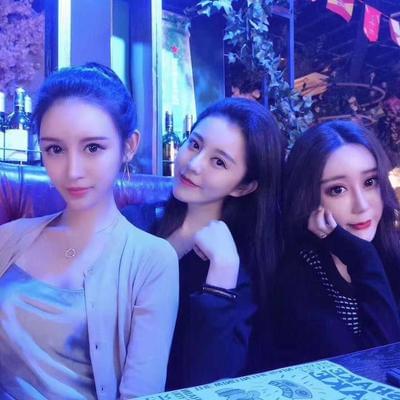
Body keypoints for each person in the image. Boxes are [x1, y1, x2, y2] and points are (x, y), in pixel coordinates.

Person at [0, 63, 179, 399]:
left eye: (93, 147)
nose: (73, 171)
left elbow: (140, 393)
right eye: (55, 149)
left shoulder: (152, 261)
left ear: (129, 146)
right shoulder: (8, 238)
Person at [154, 97, 285, 389]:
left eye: (219, 162)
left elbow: (209, 381)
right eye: (195, 145)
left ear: (243, 187)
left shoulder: (242, 267)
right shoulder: (137, 223)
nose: (193, 164)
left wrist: (221, 277)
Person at [274, 120, 400, 367]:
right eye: (338, 190)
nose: (362, 205)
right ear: (308, 199)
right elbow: (379, 367)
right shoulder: (298, 277)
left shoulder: (392, 253)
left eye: (370, 182)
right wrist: (363, 257)